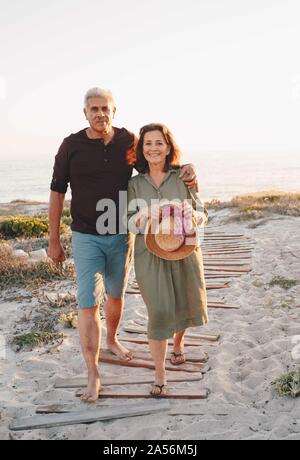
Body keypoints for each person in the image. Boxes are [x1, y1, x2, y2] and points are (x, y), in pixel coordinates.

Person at [48, 88, 198, 402]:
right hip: (86, 234)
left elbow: (151, 165)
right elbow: (57, 192)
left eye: (105, 108)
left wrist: (186, 171)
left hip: (121, 234)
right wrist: (53, 240)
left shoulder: (127, 142)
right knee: (88, 303)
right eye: (94, 109)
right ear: (85, 112)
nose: (100, 114)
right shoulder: (70, 146)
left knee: (116, 295)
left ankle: (113, 338)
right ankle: (93, 375)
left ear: (114, 111)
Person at [127, 123, 208, 396]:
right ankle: (160, 372)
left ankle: (178, 344)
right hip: (149, 255)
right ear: (142, 149)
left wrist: (195, 216)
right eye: (148, 143)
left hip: (183, 249)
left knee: (184, 301)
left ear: (168, 147)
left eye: (159, 143)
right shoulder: (134, 183)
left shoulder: (182, 177)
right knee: (160, 311)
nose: (153, 148)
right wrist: (142, 216)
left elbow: (201, 212)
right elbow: (129, 221)